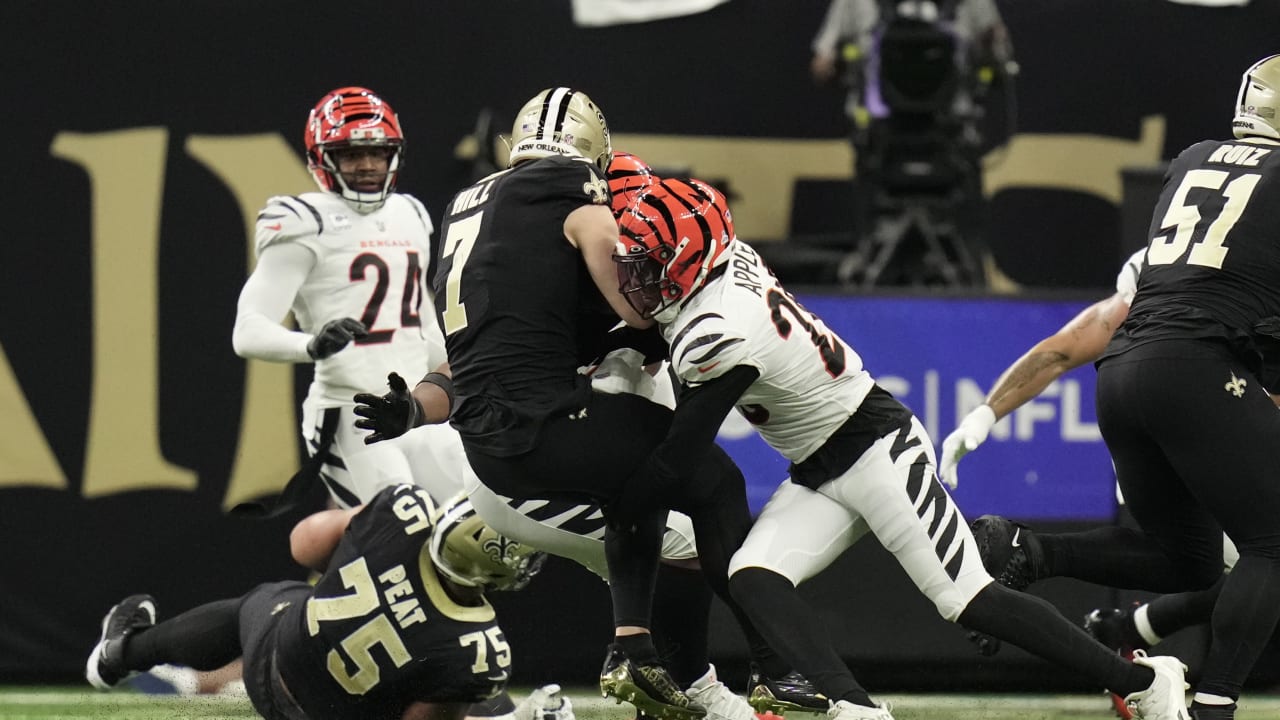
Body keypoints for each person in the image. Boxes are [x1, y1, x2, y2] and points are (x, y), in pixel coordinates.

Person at [610, 176, 1192, 720]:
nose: (638, 278)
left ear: (691, 260)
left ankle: (1143, 684)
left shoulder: (717, 330)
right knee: (753, 575)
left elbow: (677, 458)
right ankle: (855, 708)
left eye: (652, 264)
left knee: (968, 599)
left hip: (878, 446)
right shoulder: (723, 270)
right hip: (817, 468)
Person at [354, 88, 801, 720]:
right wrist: (683, 279)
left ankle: (635, 647)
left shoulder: (469, 207)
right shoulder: (576, 194)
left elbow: (472, 360)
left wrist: (413, 411)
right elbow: (634, 300)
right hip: (547, 433)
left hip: (488, 450)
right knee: (713, 484)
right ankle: (774, 667)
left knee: (641, 480)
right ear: (594, 157)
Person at [946, 54, 1280, 720]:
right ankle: (1213, 707)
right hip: (1199, 375)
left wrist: (984, 414)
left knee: (1189, 560)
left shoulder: (1190, 163)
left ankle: (1034, 553)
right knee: (1274, 543)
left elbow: (1087, 332)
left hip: (1124, 373)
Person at [86, 484, 546, 720]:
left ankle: (121, 653)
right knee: (459, 685)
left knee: (269, 598)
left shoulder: (405, 511)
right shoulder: (479, 648)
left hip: (275, 660)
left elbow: (303, 545)